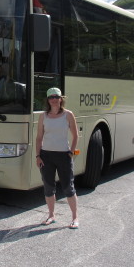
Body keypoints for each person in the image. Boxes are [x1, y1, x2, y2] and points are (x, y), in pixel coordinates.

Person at [35, 87, 80, 228]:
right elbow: (39, 138)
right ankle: (51, 215)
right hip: (46, 155)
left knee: (68, 187)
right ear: (48, 100)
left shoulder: (68, 115)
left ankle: (75, 218)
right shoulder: (43, 116)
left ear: (61, 99)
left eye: (56, 97)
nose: (54, 99)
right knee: (48, 187)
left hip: (63, 155)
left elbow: (75, 135)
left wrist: (71, 152)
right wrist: (38, 155)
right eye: (51, 97)